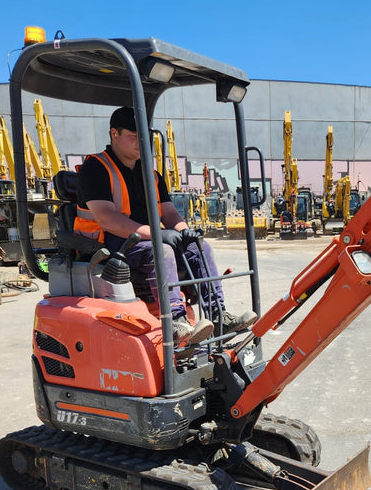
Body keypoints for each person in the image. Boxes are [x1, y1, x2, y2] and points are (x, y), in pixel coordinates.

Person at [76, 107, 256, 348]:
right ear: (114, 134)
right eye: (133, 135)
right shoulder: (96, 168)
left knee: (200, 248)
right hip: (109, 246)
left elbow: (169, 212)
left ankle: (217, 314)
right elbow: (107, 219)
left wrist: (184, 231)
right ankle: (176, 322)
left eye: (144, 137)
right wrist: (159, 234)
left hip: (143, 242)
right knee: (163, 251)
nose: (141, 142)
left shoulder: (150, 174)